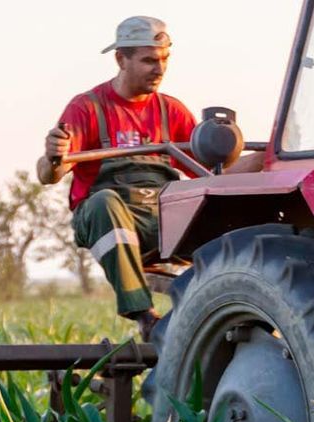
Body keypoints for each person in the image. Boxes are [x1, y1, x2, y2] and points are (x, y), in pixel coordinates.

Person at [38, 16, 198, 339]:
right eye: (149, 60)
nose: (160, 68)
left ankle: (217, 306)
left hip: (162, 218)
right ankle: (144, 314)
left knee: (213, 206)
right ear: (121, 59)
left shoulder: (172, 112)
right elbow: (48, 174)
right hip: (109, 216)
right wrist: (55, 156)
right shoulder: (88, 108)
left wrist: (262, 163)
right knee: (104, 203)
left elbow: (212, 172)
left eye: (165, 59)